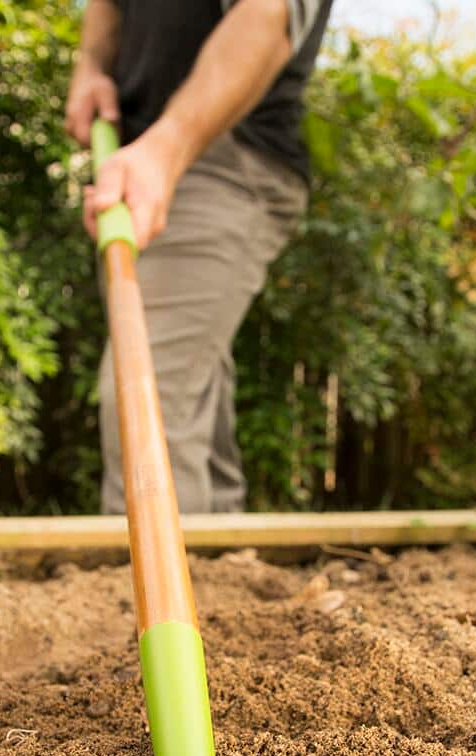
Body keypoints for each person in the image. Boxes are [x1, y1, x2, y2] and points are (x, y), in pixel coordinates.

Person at [66, 0, 333, 514]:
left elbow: (267, 14)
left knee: (149, 390)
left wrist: (165, 150)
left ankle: (157, 590)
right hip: (138, 152)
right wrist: (91, 68)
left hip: (226, 157)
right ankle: (217, 562)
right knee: (191, 380)